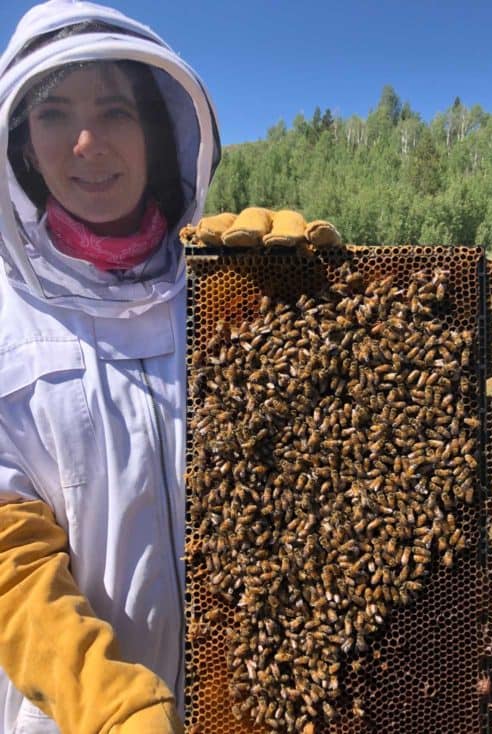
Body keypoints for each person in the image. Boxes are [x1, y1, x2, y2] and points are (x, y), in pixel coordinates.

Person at [0, 1, 221, 732]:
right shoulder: (7, 319)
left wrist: (310, 298)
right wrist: (105, 701)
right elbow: (10, 561)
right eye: (55, 114)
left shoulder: (227, 296)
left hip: (250, 702)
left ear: (156, 133)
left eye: (116, 111)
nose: (87, 143)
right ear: (25, 146)